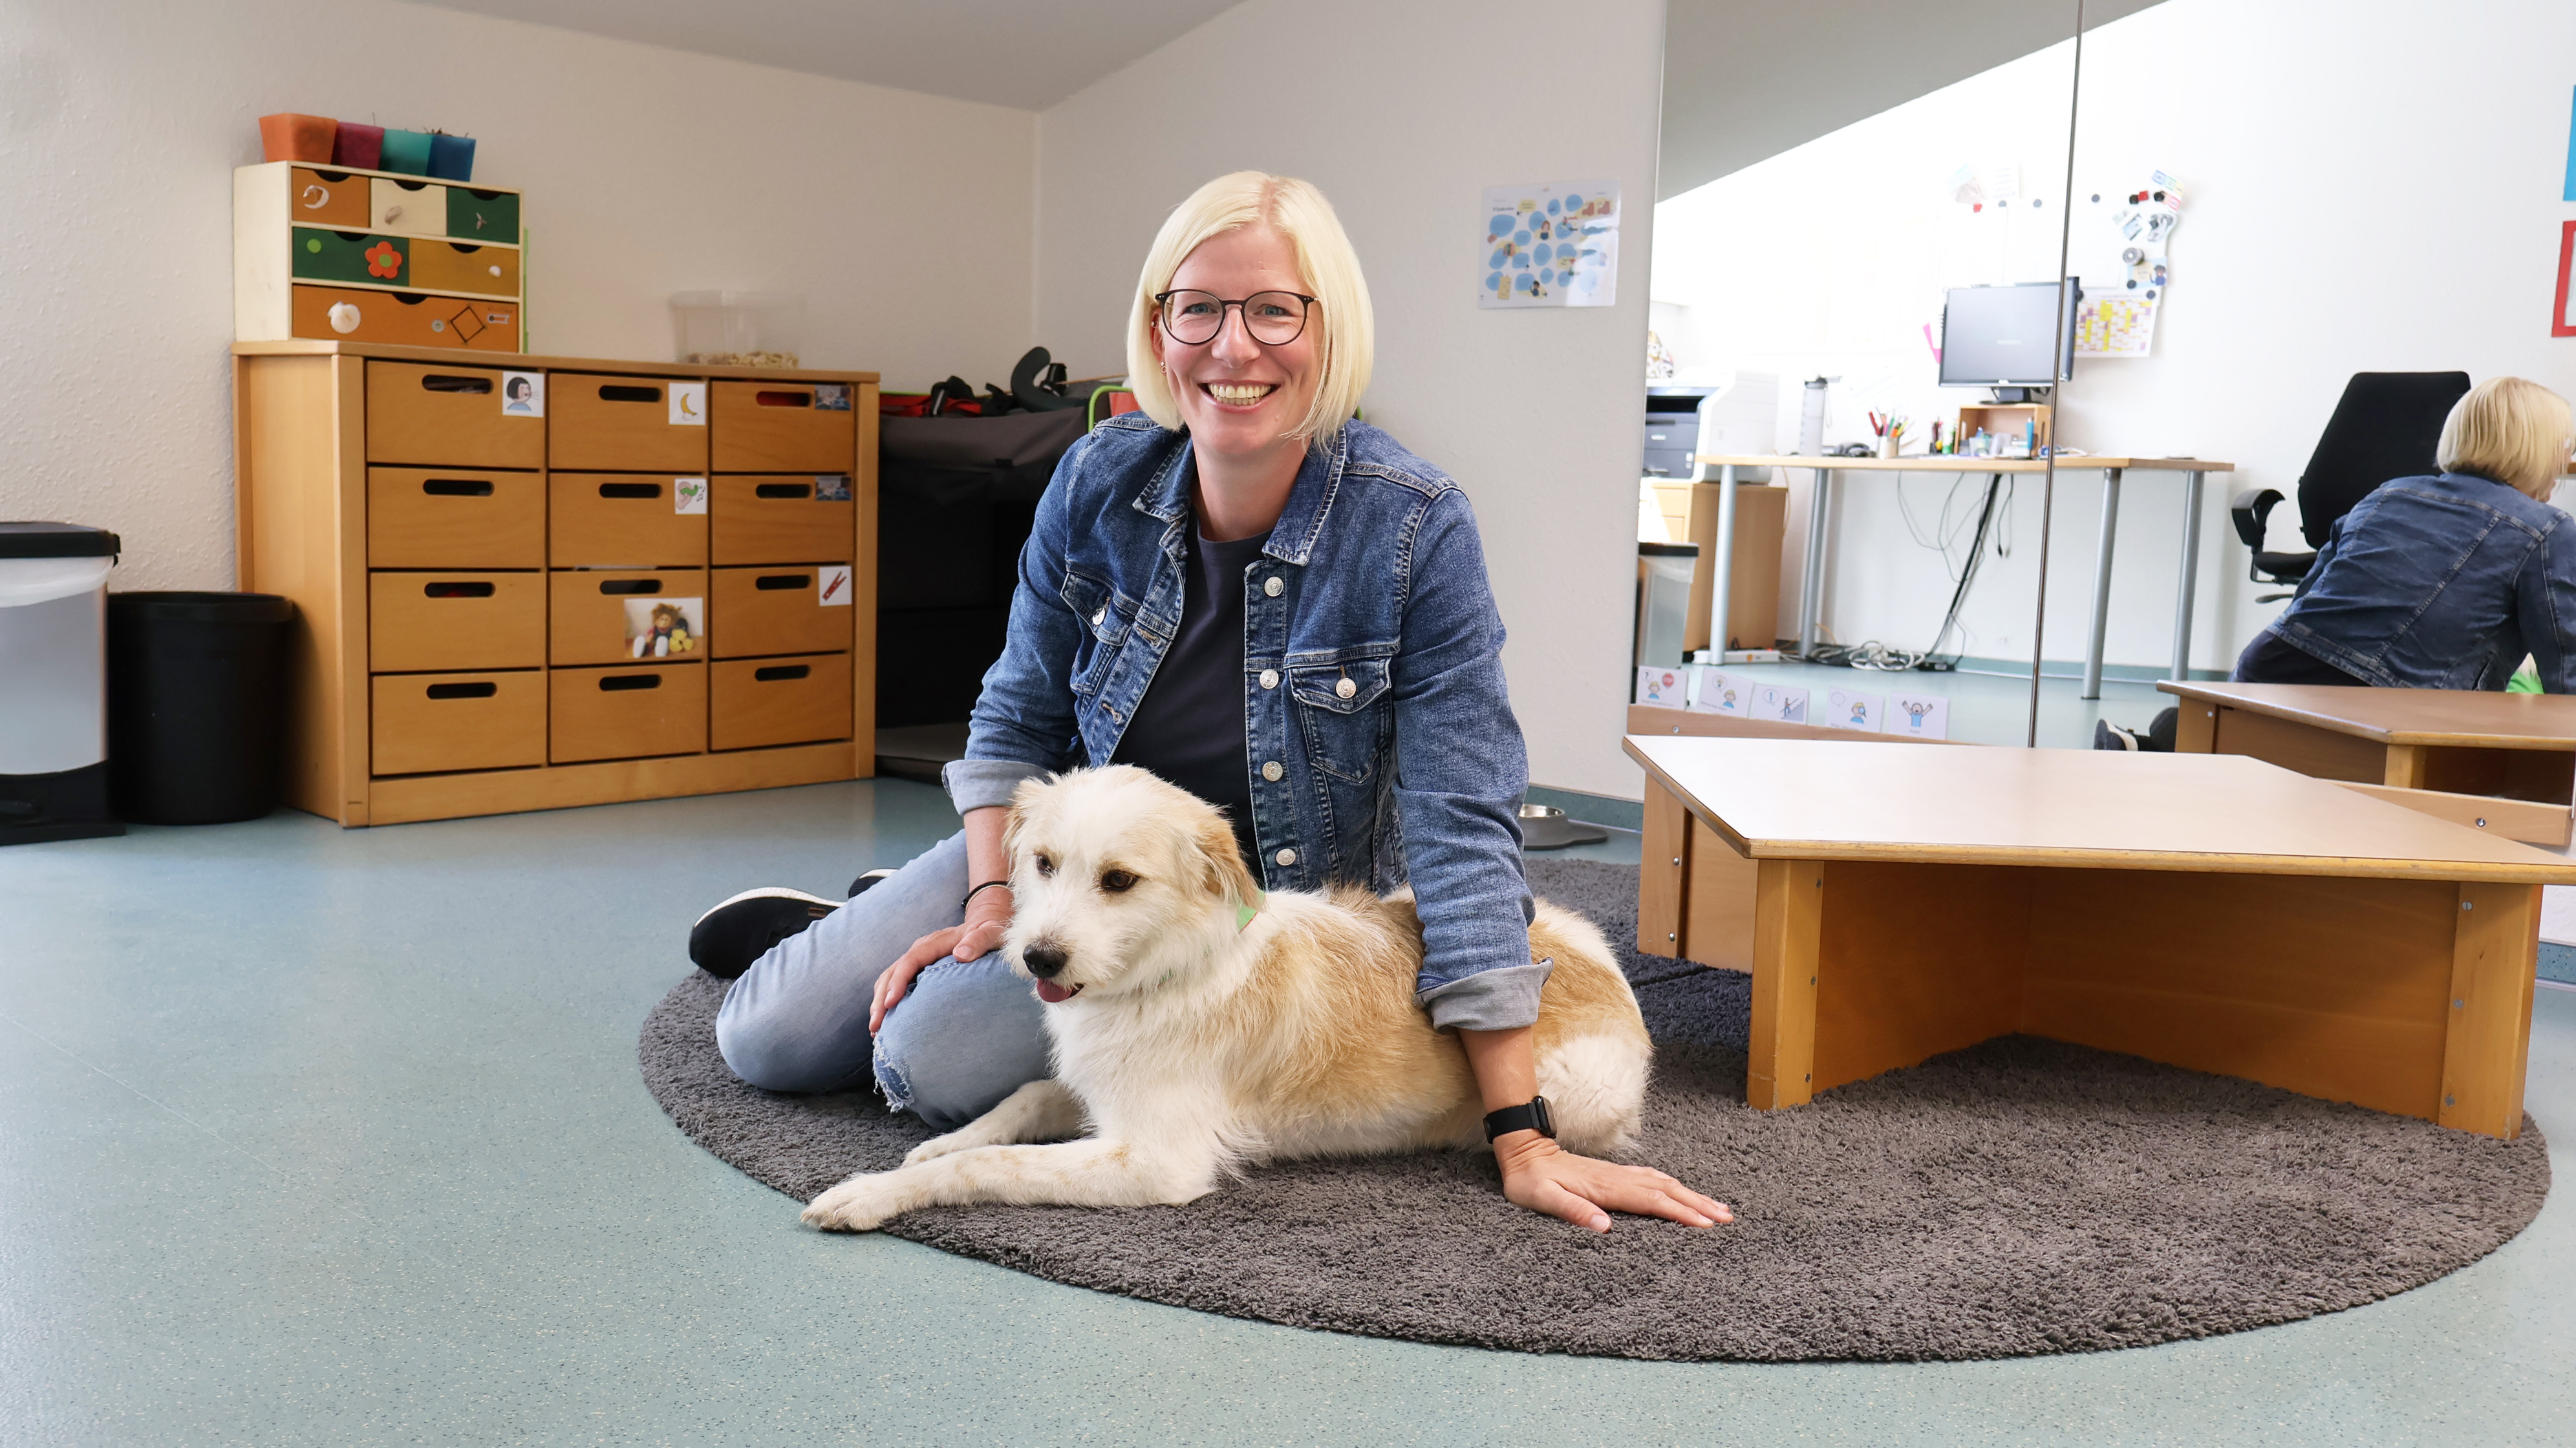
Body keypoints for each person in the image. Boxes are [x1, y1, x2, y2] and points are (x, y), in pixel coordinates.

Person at [689, 172, 1729, 1234]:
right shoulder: (1095, 478)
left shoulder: (1414, 526)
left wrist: (1519, 1127)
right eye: (1199, 309)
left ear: (1329, 328)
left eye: (1274, 309)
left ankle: (895, 917)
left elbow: (1460, 820)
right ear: (1160, 326)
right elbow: (1013, 720)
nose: (1233, 349)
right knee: (762, 1041)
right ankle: (890, 907)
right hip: (1070, 859)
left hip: (1235, 913)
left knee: (927, 1064)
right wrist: (995, 897)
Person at [2098, 376, 2576, 750]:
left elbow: (2311, 591)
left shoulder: (2388, 493)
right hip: (2393, 702)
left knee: (2216, 738)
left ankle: (2157, 745)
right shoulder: (2547, 529)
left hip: (2274, 665)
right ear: (2541, 454)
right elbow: (2566, 661)